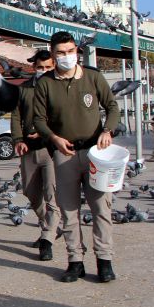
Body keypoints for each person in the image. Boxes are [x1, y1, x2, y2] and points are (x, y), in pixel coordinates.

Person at [32, 31, 120, 283]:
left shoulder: (92, 77)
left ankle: (104, 261)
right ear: (52, 54)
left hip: (96, 153)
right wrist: (54, 138)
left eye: (70, 51)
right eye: (61, 53)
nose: (66, 56)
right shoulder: (46, 83)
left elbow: (112, 106)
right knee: (69, 210)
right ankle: (75, 261)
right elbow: (38, 119)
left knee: (101, 207)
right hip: (64, 153)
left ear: (77, 52)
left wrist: (107, 130)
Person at [11, 49, 60, 261]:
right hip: (29, 149)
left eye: (48, 67)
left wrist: (48, 132)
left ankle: (47, 238)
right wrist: (18, 140)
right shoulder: (24, 89)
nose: (44, 71)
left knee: (52, 195)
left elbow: (64, 119)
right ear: (34, 68)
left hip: (52, 149)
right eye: (41, 67)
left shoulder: (60, 89)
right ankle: (47, 224)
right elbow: (15, 116)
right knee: (30, 192)